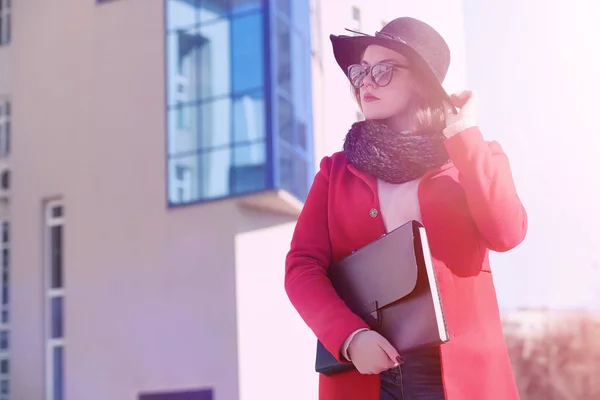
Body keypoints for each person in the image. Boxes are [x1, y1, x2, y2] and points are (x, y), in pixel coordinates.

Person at [284, 17, 528, 400]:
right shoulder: (334, 172)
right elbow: (301, 268)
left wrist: (463, 133)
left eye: (382, 71)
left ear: (420, 81)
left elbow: (507, 233)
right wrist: (349, 336)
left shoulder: (473, 156)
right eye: (360, 71)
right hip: (365, 371)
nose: (365, 81)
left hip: (461, 376)